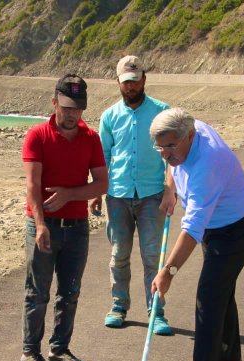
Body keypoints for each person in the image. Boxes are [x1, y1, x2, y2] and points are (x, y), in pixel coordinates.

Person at [149, 108, 244, 361]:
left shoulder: (208, 163)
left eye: (170, 146)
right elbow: (173, 162)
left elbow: (191, 228)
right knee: (220, 289)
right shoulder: (185, 132)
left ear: (189, 136)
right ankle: (224, 357)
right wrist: (170, 189)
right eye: (159, 147)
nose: (165, 153)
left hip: (236, 228)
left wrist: (168, 272)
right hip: (216, 224)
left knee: (209, 295)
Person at [20, 74, 109, 361]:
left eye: (78, 109)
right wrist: (41, 224)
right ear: (54, 102)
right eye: (67, 107)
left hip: (77, 225)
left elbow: (102, 184)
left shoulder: (91, 138)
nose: (72, 114)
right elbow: (33, 185)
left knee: (69, 292)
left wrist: (71, 194)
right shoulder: (37, 136)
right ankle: (30, 352)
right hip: (42, 225)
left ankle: (59, 348)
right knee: (38, 292)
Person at [96, 55, 175, 335]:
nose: (131, 86)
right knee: (119, 254)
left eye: (135, 80)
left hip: (152, 195)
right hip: (116, 195)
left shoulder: (162, 112)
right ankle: (118, 305)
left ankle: (156, 310)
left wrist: (169, 190)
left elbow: (173, 156)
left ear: (144, 79)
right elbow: (102, 156)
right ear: (118, 82)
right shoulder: (109, 116)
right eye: (126, 82)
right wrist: (96, 191)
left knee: (152, 256)